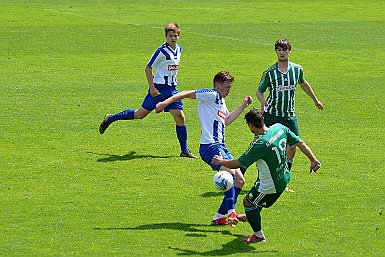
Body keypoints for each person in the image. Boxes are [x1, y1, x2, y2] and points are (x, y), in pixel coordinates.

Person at [156, 71, 253, 226]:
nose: (229, 90)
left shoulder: (221, 101)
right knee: (228, 173)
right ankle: (231, 212)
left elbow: (227, 120)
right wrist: (164, 103)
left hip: (221, 146)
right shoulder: (212, 95)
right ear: (217, 85)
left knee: (240, 180)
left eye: (230, 87)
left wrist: (243, 105)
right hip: (210, 146)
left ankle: (219, 217)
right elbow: (185, 93)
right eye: (226, 87)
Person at [212, 108, 321, 243]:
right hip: (283, 175)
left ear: (251, 126)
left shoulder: (260, 144)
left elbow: (238, 163)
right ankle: (250, 217)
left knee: (248, 202)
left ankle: (258, 235)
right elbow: (299, 143)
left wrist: (219, 161)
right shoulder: (279, 128)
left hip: (272, 185)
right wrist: (313, 159)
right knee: (255, 200)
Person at [99, 22, 197, 158]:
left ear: (179, 36)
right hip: (158, 89)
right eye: (170, 36)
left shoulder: (179, 50)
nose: (173, 38)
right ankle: (110, 118)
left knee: (180, 117)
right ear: (166, 36)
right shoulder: (161, 51)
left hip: (172, 90)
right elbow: (148, 68)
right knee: (140, 114)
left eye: (175, 36)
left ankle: (184, 151)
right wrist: (152, 87)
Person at [256, 38, 323, 178]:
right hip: (272, 114)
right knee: (267, 147)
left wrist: (315, 100)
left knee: (292, 146)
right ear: (275, 52)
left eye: (284, 49)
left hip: (289, 115)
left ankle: (283, 178)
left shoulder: (297, 70)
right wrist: (263, 102)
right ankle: (262, 178)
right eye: (279, 49)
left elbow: (303, 84)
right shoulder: (270, 72)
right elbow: (259, 91)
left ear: (289, 51)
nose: (282, 52)